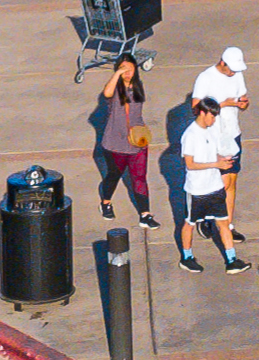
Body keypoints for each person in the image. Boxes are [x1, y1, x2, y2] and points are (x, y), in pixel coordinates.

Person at [174, 94, 245, 272]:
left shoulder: (211, 131)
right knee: (189, 223)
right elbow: (190, 164)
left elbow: (211, 153)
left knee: (223, 222)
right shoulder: (190, 135)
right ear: (203, 113)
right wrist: (216, 164)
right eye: (212, 116)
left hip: (215, 187)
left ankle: (232, 260)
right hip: (197, 190)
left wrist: (222, 159)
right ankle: (187, 257)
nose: (214, 120)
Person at [87, 52, 158, 228]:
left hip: (137, 140)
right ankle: (105, 202)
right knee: (114, 175)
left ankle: (145, 214)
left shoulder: (138, 87)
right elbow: (107, 92)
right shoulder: (115, 89)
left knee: (139, 178)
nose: (127, 72)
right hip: (115, 143)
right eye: (123, 69)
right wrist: (118, 74)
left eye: (130, 69)